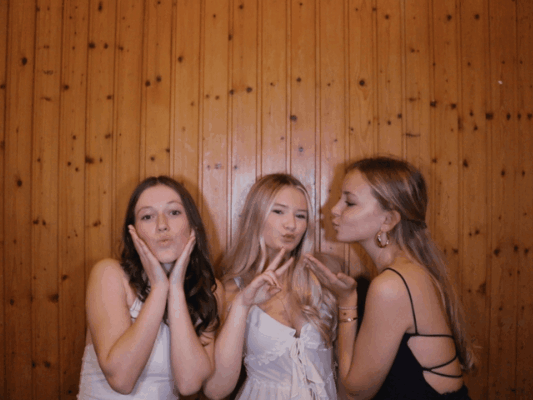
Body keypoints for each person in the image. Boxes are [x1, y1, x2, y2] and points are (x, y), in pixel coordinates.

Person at [305, 157, 474, 400]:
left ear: (388, 220)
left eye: (349, 202)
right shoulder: (409, 271)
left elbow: (354, 392)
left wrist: (346, 301)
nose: (334, 209)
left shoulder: (392, 286)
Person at [77, 176, 222, 399]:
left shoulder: (209, 290)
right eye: (147, 216)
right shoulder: (109, 274)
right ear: (133, 232)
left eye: (174, 212)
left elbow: (189, 384)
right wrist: (159, 289)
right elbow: (121, 380)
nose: (162, 225)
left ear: (192, 225)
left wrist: (175, 289)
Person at [203, 173, 338, 400]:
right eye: (278, 211)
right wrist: (242, 306)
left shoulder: (323, 275)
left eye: (301, 215)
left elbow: (345, 371)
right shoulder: (231, 289)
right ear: (256, 215)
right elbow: (216, 390)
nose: (291, 224)